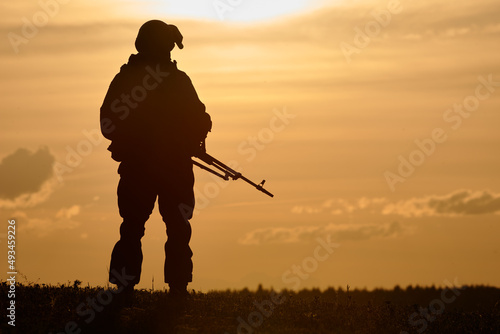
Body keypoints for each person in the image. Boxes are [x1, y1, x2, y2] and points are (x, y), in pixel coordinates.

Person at [100, 20, 212, 298]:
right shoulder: (177, 81)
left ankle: (135, 288)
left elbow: (108, 122)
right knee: (169, 226)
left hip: (150, 167)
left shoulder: (131, 79)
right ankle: (175, 288)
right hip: (166, 168)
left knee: (141, 226)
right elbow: (201, 119)